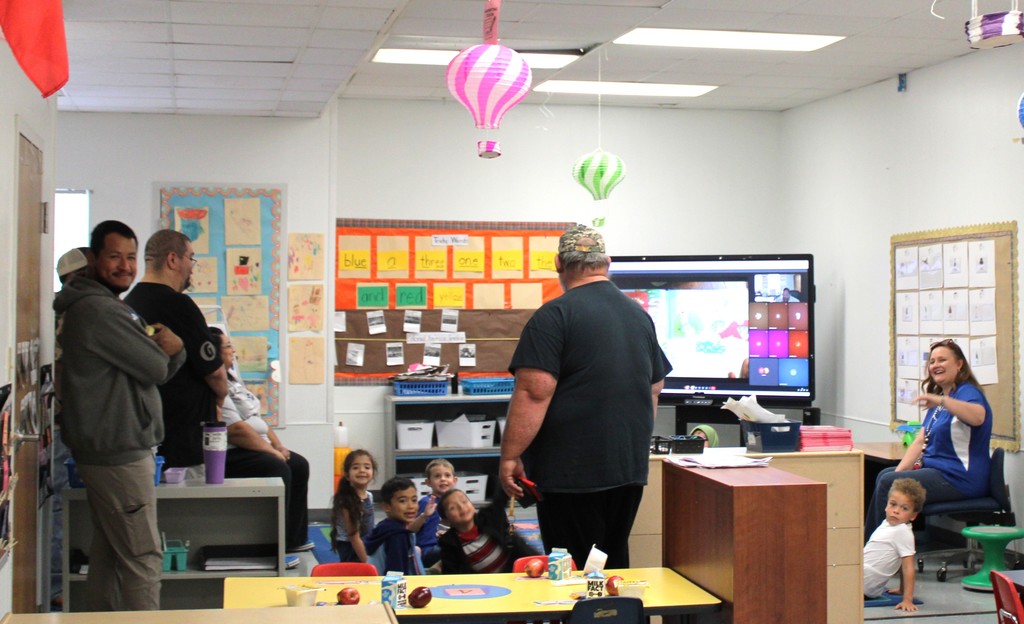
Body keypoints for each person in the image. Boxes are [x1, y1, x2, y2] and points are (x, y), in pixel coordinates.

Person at [499, 224, 672, 570]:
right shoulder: (639, 316)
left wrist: (510, 456)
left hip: (571, 475)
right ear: (606, 263)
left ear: (559, 264)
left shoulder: (554, 316)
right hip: (628, 469)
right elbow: (654, 388)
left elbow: (534, 393)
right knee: (611, 561)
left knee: (574, 570)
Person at [54, 222, 186, 610]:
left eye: (131, 257)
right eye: (114, 256)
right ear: (93, 259)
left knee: (111, 554)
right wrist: (175, 347)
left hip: (110, 451)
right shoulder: (99, 311)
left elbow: (152, 366)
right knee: (143, 558)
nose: (124, 266)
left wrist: (165, 353)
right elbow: (157, 367)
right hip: (119, 454)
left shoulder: (108, 306)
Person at [865, 338, 992, 541]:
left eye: (942, 360)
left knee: (889, 481)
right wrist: (900, 473)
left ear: (959, 364)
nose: (935, 365)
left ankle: (875, 550)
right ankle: (875, 547)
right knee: (886, 476)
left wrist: (942, 400)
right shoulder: (940, 400)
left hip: (961, 478)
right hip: (939, 472)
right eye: (932, 361)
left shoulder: (967, 392)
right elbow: (919, 441)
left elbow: (978, 416)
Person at [125, 229, 227, 475]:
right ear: (173, 259)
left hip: (145, 435)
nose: (192, 267)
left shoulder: (127, 305)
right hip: (185, 440)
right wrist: (221, 396)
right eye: (190, 258)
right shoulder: (179, 305)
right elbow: (215, 374)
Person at [210, 327, 312, 553]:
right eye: (227, 347)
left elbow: (257, 421)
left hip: (256, 447)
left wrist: (278, 445)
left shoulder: (234, 381)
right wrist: (272, 452)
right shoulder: (215, 384)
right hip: (232, 453)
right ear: (214, 353)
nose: (233, 351)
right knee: (278, 467)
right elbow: (236, 430)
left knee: (298, 464)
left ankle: (293, 538)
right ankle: (277, 546)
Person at [437, 488, 539, 574]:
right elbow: (450, 574)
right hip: (485, 586)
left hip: (517, 570)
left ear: (472, 506)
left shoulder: (488, 517)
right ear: (446, 520)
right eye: (453, 508)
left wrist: (508, 481)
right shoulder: (448, 543)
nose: (461, 507)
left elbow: (500, 498)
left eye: (464, 501)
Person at [864, 478, 926, 612]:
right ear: (886, 505)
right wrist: (901, 589)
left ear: (913, 515)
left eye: (904, 508)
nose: (896, 511)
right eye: (893, 504)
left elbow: (908, 567)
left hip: (864, 583)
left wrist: (907, 599)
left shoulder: (902, 531)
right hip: (862, 577)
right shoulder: (888, 523)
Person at [363, 476, 428, 575]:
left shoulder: (386, 526)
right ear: (387, 507)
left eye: (414, 500)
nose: (410, 506)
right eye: (402, 501)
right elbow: (396, 574)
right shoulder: (397, 535)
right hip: (386, 588)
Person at [331, 450, 378, 562]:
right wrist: (367, 562)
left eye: (367, 467)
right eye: (356, 468)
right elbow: (353, 536)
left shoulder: (369, 496)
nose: (362, 471)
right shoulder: (347, 501)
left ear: (373, 473)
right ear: (347, 475)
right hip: (351, 548)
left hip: (365, 542)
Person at [416, 458, 458, 567]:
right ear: (428, 482)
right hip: (429, 550)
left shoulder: (457, 503)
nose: (443, 479)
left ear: (454, 480)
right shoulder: (426, 502)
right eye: (437, 476)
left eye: (447, 475)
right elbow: (412, 528)